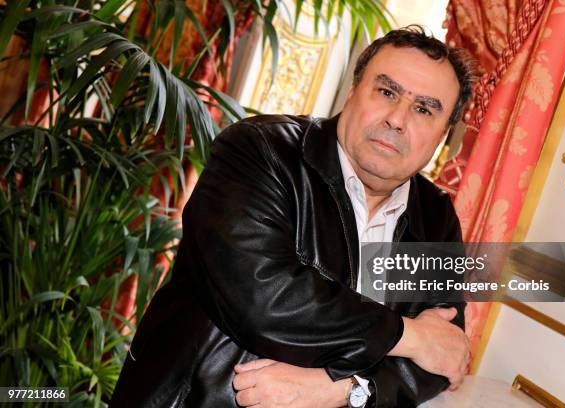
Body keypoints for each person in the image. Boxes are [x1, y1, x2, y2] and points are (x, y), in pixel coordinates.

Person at [111, 25, 475, 408]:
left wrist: (345, 390)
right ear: (353, 92)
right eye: (386, 92)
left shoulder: (434, 213)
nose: (397, 119)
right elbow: (265, 297)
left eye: (423, 109)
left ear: (444, 135)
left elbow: (443, 356)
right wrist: (411, 336)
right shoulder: (261, 150)